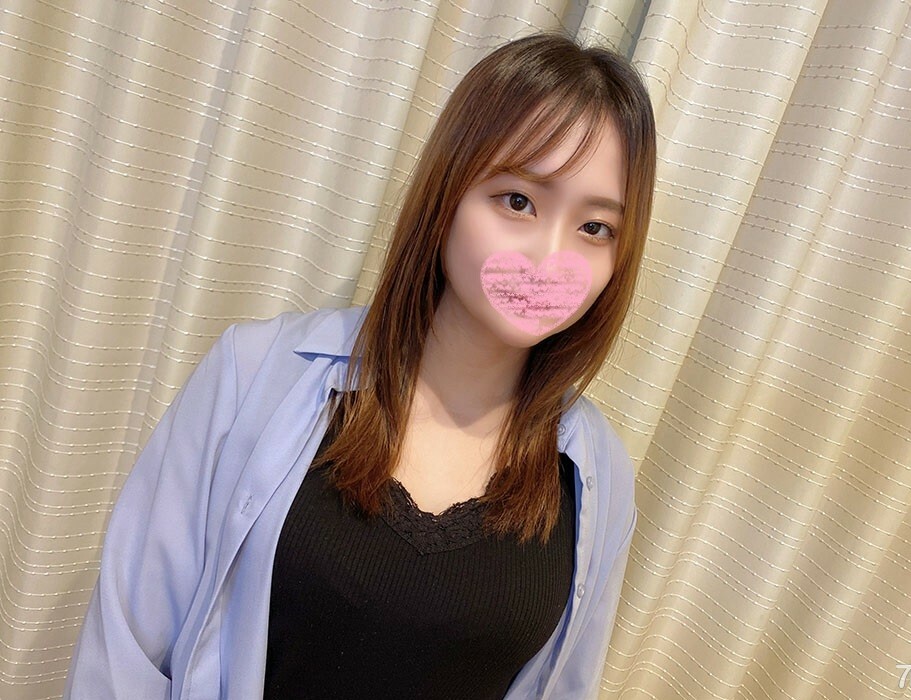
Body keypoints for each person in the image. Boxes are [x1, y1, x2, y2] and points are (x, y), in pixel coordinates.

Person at [63, 31, 656, 700]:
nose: (549, 257)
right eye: (518, 201)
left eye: (594, 228)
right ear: (447, 193)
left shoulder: (595, 474)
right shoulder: (255, 374)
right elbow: (126, 654)